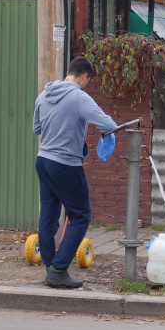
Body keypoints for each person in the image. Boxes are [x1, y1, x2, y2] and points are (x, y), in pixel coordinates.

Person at [33, 57, 117, 288]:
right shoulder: (79, 97)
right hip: (66, 164)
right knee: (80, 216)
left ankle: (51, 268)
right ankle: (59, 269)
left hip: (43, 160)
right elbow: (108, 124)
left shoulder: (43, 95)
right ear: (85, 77)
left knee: (48, 216)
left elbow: (37, 128)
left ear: (68, 71)